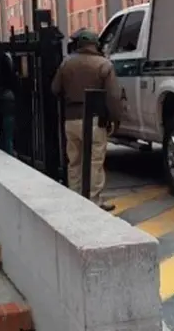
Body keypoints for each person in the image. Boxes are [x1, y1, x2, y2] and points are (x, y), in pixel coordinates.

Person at [51, 29, 124, 211]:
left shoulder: (66, 64)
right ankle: (93, 200)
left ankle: (74, 198)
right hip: (94, 120)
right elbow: (113, 96)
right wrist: (115, 119)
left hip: (71, 120)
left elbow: (55, 89)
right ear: (95, 44)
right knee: (94, 161)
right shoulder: (104, 65)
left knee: (74, 160)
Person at [0, 40, 19, 155]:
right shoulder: (6, 57)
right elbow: (13, 78)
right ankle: (9, 153)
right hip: (7, 96)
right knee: (7, 134)